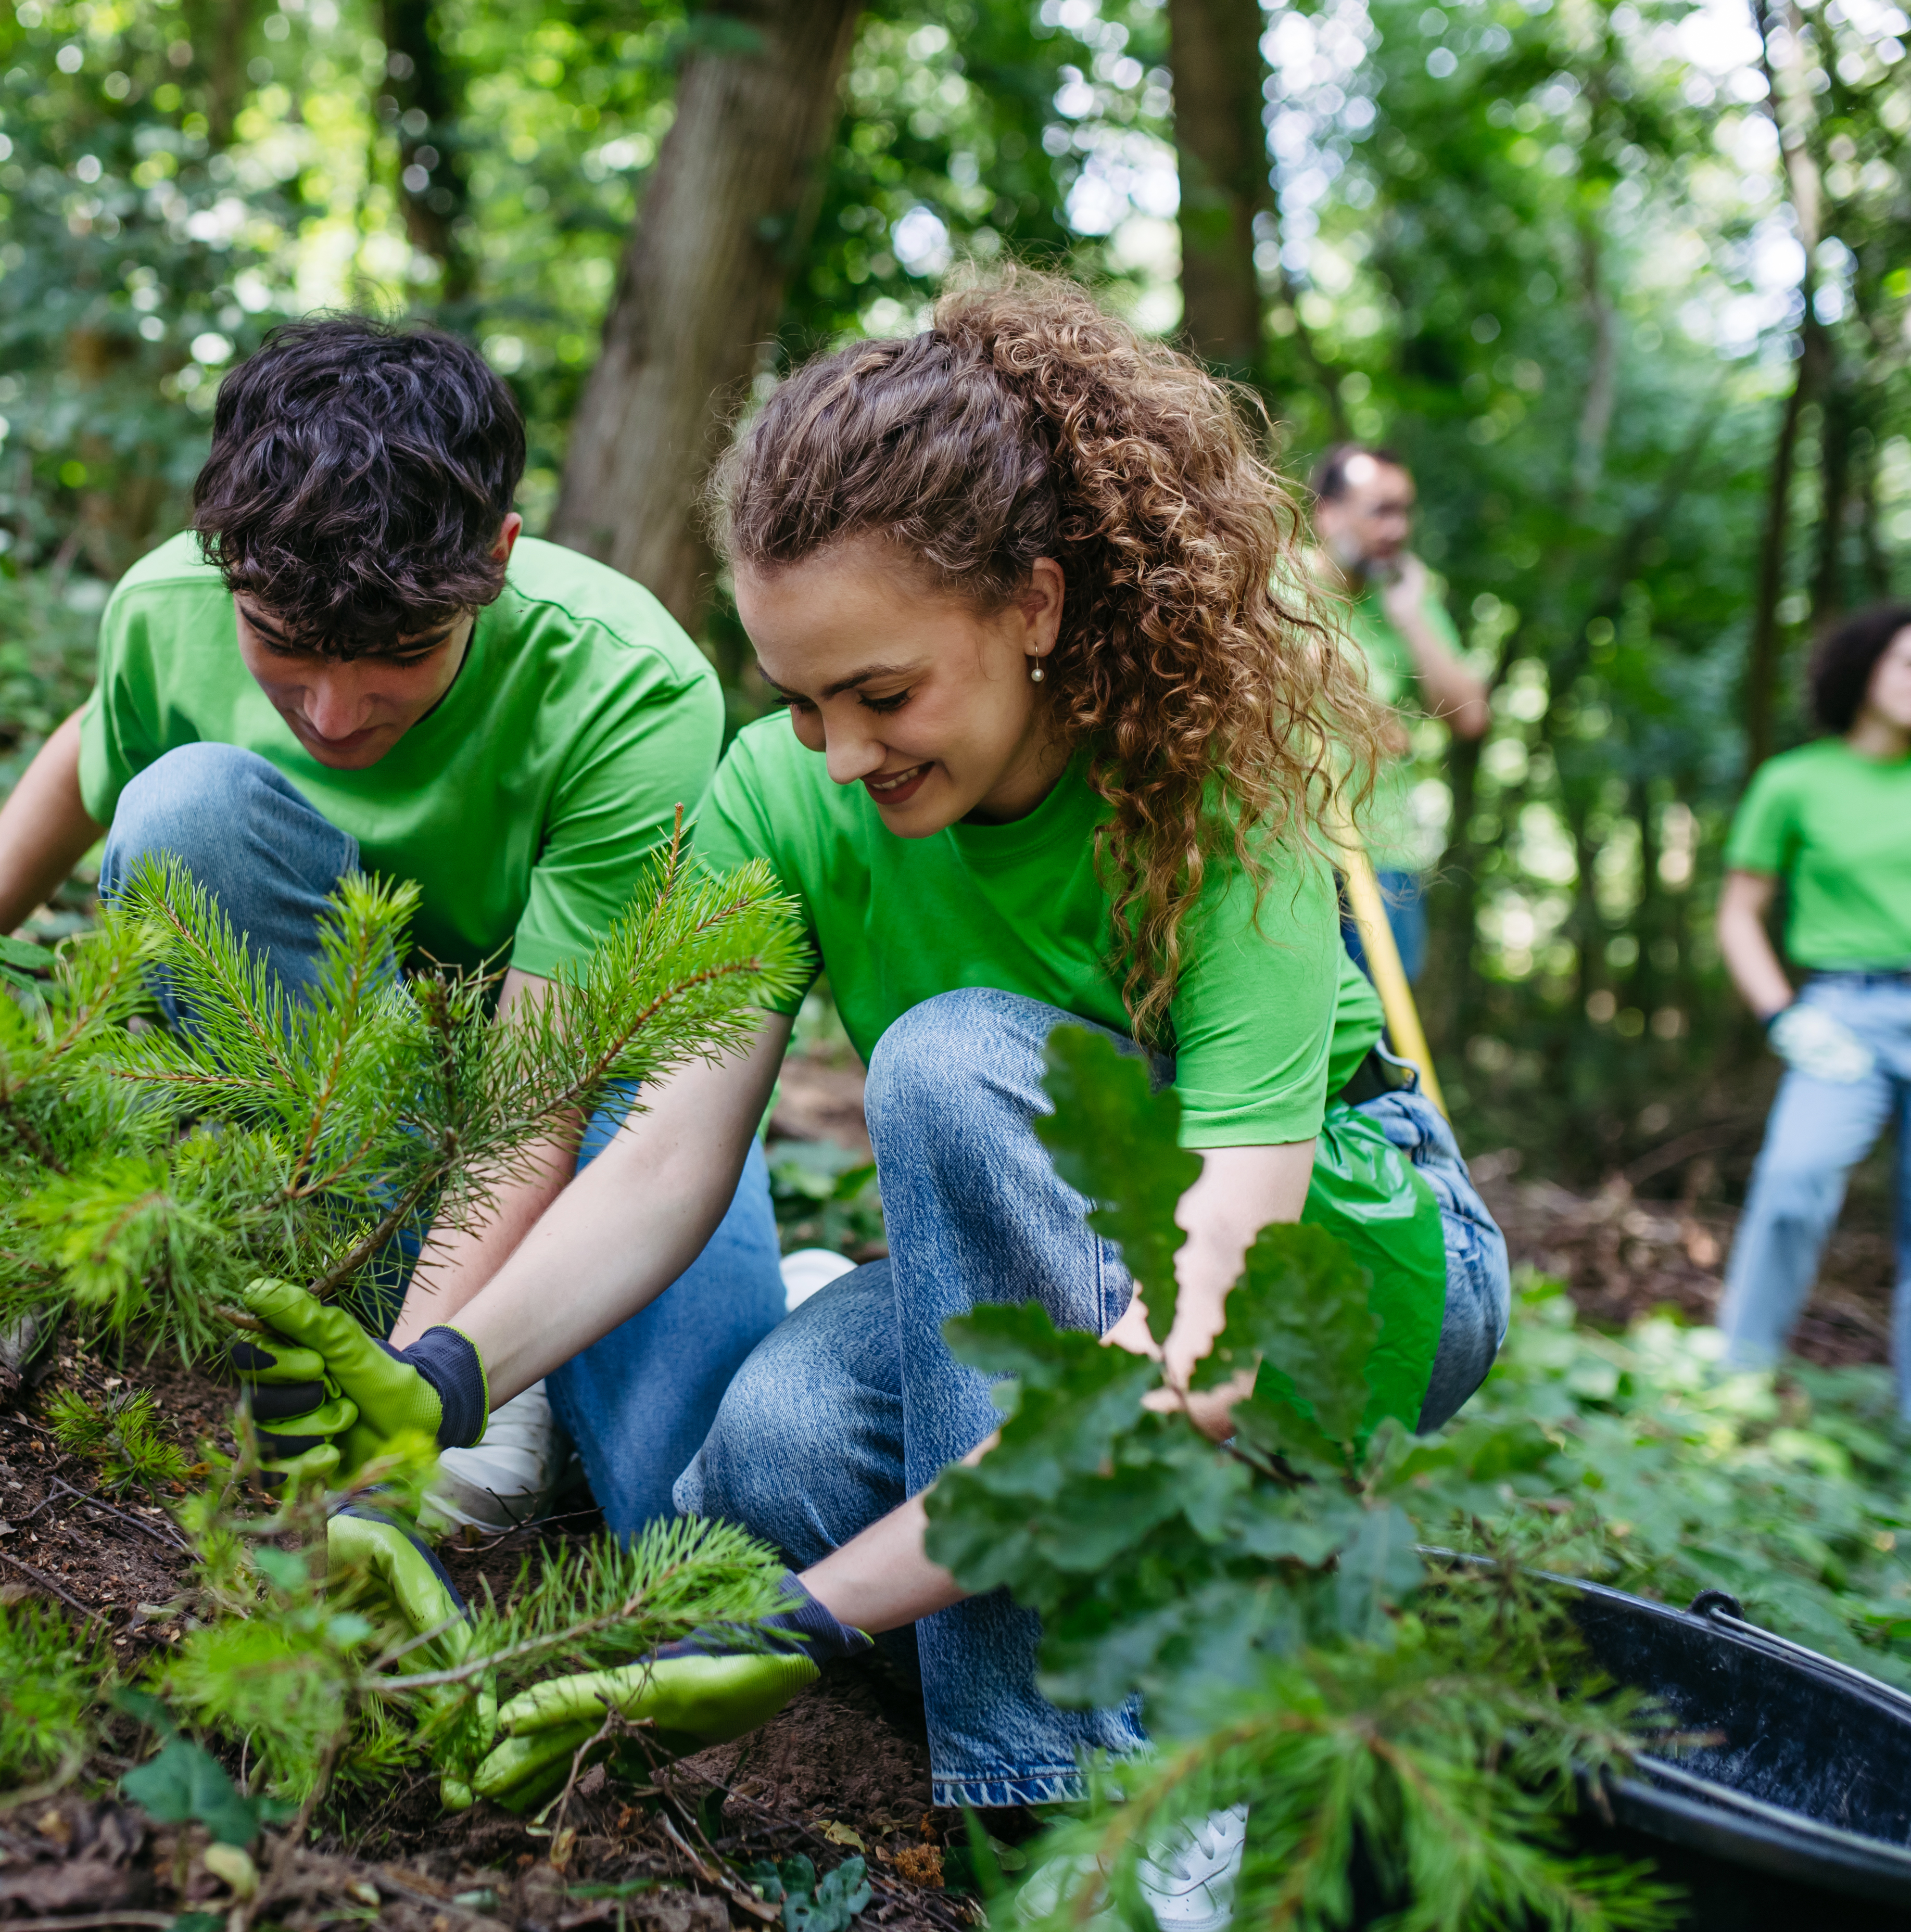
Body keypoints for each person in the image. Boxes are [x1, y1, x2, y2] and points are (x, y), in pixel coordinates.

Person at [234, 270, 1513, 1840]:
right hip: (1064, 1293)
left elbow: (1202, 1348)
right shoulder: (784, 796)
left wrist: (813, 1621)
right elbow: (664, 1155)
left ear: (1032, 604)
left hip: (1337, 1269)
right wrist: (442, 1375)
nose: (841, 753)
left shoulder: (1202, 799)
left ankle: (1085, 1805)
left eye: (882, 691)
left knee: (951, 1059)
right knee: (766, 1451)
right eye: (798, 698)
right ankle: (1179, 1579)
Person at [0, 316, 786, 1537]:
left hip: (578, 1076)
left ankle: (580, 1352)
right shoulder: (164, 609)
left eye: (398, 655)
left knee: (685, 1503)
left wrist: (405, 1402)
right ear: (220, 554)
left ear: (495, 558)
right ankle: (492, 1371)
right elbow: (95, 753)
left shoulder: (625, 688)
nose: (332, 711)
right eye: (281, 649)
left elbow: (530, 1101)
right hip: (330, 1073)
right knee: (184, 808)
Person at [1715, 604, 1911, 1434]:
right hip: (1845, 1017)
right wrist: (1782, 1015)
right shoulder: (1795, 782)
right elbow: (1739, 914)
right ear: (1863, 672)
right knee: (1791, 1183)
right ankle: (1736, 1382)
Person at [1307, 444, 1490, 980]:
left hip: (1387, 854)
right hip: (1292, 849)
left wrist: (1412, 618)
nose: (1397, 527)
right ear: (1329, 512)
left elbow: (1470, 717)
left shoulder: (1408, 596)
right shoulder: (1276, 582)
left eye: (1405, 511)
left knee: (1385, 1033)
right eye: (1380, 510)